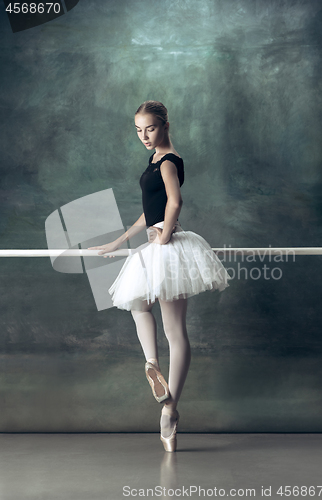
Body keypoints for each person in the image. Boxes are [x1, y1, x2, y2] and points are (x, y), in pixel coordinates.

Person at [89, 101, 231, 452]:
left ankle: (170, 408)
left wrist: (164, 237)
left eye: (150, 129)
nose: (144, 136)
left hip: (168, 245)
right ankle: (152, 366)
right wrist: (119, 240)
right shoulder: (153, 160)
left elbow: (174, 202)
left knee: (174, 331)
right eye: (138, 130)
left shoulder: (169, 161)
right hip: (155, 243)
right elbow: (147, 210)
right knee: (137, 304)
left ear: (166, 125)